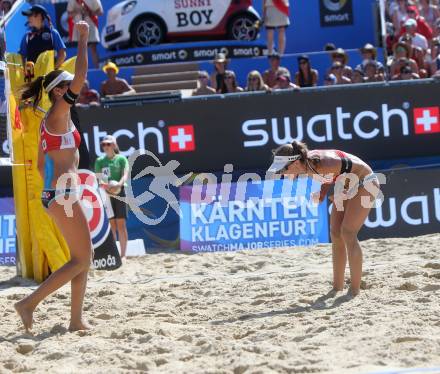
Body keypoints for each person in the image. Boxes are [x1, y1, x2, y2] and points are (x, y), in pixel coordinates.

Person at [15, 21, 92, 332]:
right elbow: (84, 75)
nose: (76, 86)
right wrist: (83, 39)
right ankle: (28, 304)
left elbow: (38, 166)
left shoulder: (55, 120)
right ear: (59, 91)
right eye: (70, 85)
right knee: (82, 260)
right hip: (63, 194)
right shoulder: (59, 112)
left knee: (81, 257)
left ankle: (75, 320)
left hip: (58, 193)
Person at [268, 141, 380, 296]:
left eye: (282, 170)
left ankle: (355, 289)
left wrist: (342, 194)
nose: (281, 174)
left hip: (366, 182)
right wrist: (322, 193)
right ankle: (337, 287)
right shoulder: (310, 164)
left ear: (294, 163)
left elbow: (350, 174)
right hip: (347, 183)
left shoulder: (322, 163)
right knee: (335, 234)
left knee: (348, 232)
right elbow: (331, 176)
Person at [95, 135, 129, 259]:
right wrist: (108, 187)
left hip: (120, 191)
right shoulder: (100, 161)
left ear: (114, 145)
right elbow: (99, 179)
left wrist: (118, 185)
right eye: (104, 144)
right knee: (111, 225)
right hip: (106, 194)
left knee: (121, 224)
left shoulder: (121, 159)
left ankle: (123, 255)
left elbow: (125, 175)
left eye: (108, 144)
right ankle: (114, 255)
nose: (106, 146)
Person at [19, 4, 66, 69]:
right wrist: (25, 71)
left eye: (30, 15)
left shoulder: (53, 33)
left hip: (50, 76)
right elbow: (22, 56)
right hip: (33, 77)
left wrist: (53, 70)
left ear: (39, 16)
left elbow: (62, 54)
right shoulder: (26, 36)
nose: (28, 18)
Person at [67, 0, 103, 68]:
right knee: (81, 49)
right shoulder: (72, 1)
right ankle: (81, 70)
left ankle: (97, 69)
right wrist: (78, 11)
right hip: (79, 28)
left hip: (91, 27)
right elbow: (69, 14)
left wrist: (89, 12)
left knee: (93, 48)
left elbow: (100, 12)